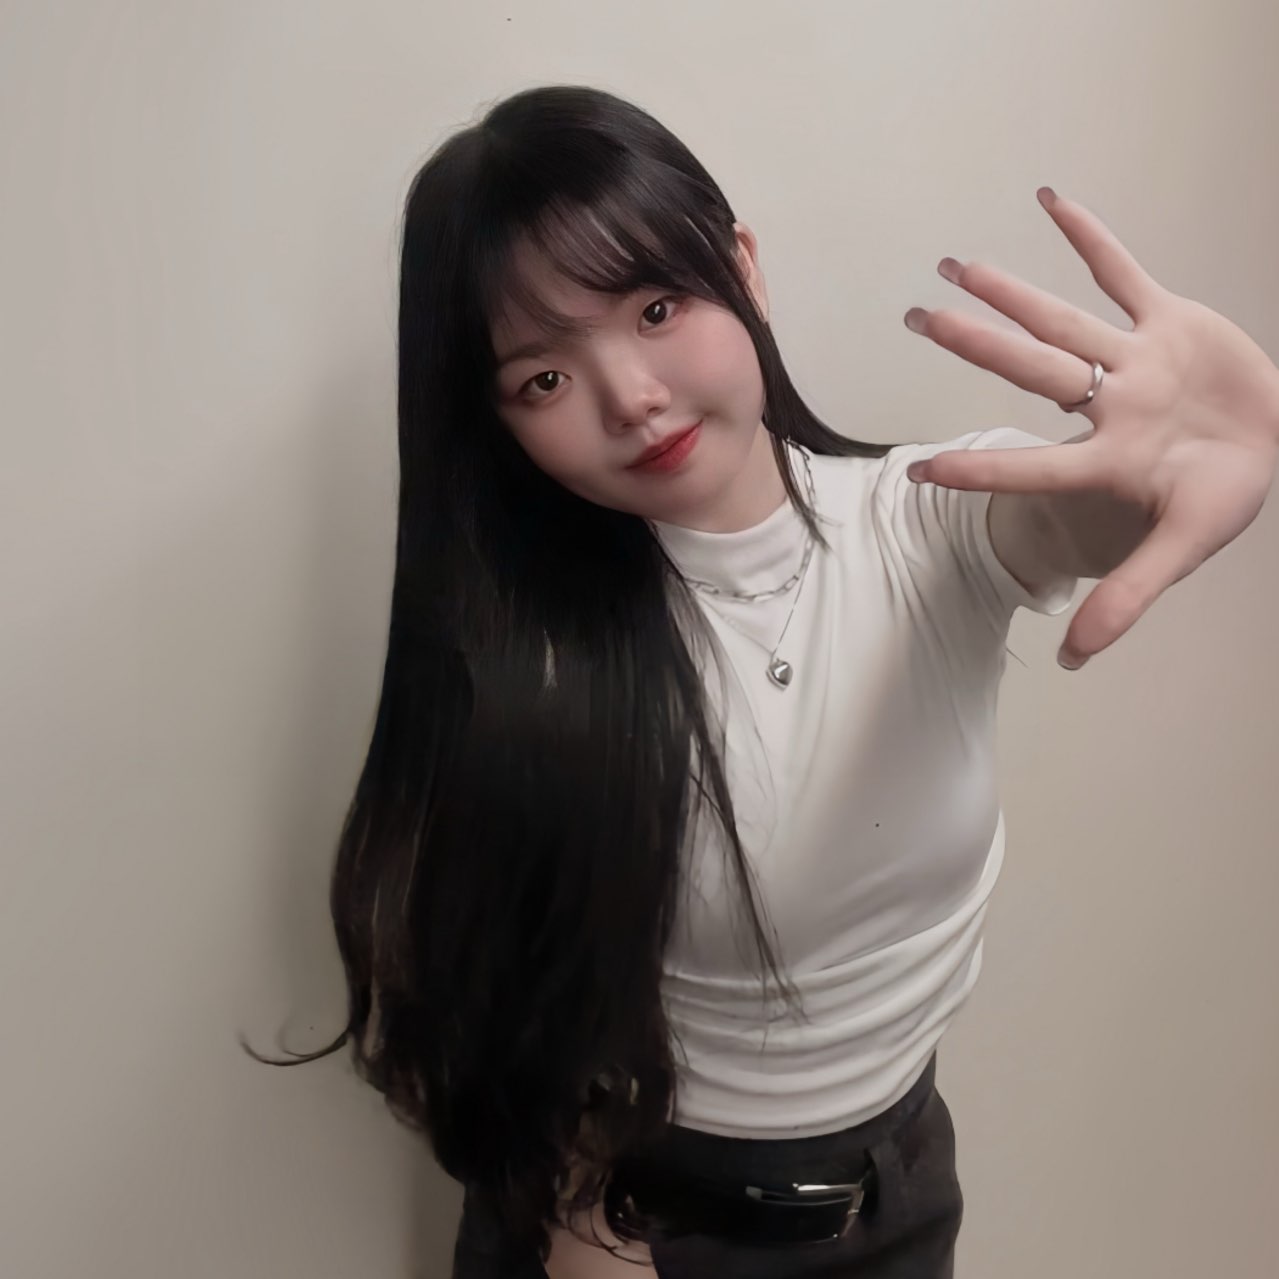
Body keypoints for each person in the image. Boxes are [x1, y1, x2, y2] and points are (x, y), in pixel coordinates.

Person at [241, 84, 1279, 1278]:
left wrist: (1189, 453)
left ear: (741, 264)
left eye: (656, 307)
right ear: (498, 424)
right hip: (611, 1222)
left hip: (895, 1195)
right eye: (542, 378)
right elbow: (515, 998)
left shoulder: (923, 518)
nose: (631, 396)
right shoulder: (526, 646)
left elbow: (1075, 509)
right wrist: (587, 1232)